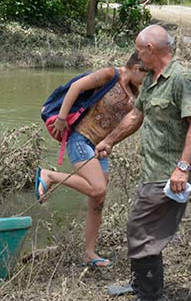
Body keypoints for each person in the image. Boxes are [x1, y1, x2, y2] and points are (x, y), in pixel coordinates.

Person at [95, 24, 191, 301]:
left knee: (141, 228)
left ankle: (152, 297)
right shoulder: (152, 80)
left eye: (139, 50)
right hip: (152, 169)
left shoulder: (182, 78)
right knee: (141, 226)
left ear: (150, 49)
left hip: (170, 174)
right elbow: (136, 115)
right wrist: (109, 141)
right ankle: (140, 284)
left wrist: (182, 167)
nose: (136, 57)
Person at [35, 53, 146, 268]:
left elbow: (132, 122)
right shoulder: (110, 75)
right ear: (135, 67)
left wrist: (109, 143)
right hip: (80, 138)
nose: (147, 78)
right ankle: (50, 175)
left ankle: (89, 253)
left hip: (99, 148)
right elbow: (76, 87)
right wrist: (61, 118)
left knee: (98, 201)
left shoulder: (137, 93)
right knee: (97, 188)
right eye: (146, 73)